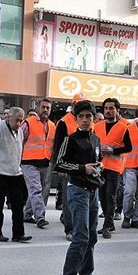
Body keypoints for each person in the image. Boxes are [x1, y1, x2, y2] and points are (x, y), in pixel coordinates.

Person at [55, 100, 105, 275]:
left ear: (94, 118)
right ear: (76, 119)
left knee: (92, 236)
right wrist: (82, 168)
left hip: (93, 191)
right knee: (81, 236)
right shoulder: (71, 139)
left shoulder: (96, 139)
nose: (85, 120)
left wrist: (98, 167)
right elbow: (59, 164)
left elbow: (97, 161)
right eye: (81, 117)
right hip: (77, 190)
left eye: (89, 116)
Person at [0, 107, 31, 243]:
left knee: (18, 205)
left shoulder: (21, 132)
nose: (19, 123)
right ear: (8, 118)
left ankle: (18, 234)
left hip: (15, 173)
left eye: (21, 120)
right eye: (16, 120)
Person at [95, 98, 131, 239]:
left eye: (111, 108)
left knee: (110, 196)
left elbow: (129, 147)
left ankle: (107, 225)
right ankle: (109, 223)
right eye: (106, 108)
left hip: (115, 167)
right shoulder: (97, 126)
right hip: (100, 166)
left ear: (117, 110)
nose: (108, 111)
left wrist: (113, 150)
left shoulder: (124, 127)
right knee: (102, 196)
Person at [53, 93, 86, 240]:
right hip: (69, 166)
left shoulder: (87, 121)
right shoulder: (64, 122)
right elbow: (58, 146)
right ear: (72, 105)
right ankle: (70, 229)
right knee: (68, 199)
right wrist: (60, 167)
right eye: (78, 104)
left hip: (84, 167)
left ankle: (79, 226)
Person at [22, 98, 54, 229]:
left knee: (35, 191)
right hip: (28, 162)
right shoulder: (28, 123)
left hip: (45, 163)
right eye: (43, 107)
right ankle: (40, 217)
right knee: (36, 189)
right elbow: (20, 141)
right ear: (38, 108)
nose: (45, 110)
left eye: (48, 108)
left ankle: (26, 214)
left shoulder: (52, 126)